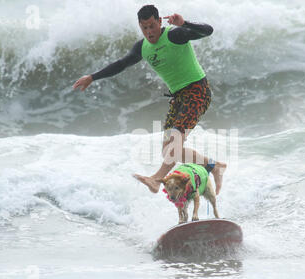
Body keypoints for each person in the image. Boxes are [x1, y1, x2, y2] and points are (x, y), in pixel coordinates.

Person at [73, 5, 226, 195]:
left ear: (160, 22)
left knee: (175, 143)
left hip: (197, 90)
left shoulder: (174, 35)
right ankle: (214, 167)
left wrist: (184, 23)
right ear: (140, 26)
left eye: (152, 26)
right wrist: (92, 77)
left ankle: (155, 179)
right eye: (144, 28)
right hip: (178, 97)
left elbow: (207, 31)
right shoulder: (142, 48)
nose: (149, 32)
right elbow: (121, 64)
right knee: (169, 151)